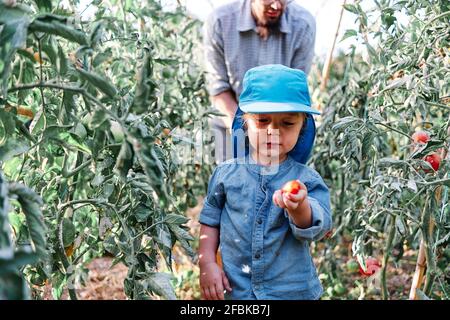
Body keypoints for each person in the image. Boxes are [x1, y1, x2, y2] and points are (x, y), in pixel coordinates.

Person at [198, 64, 332, 300]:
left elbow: (315, 228)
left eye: (287, 123)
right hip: (238, 291)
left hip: (291, 292)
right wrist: (207, 263)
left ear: (302, 129)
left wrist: (299, 207)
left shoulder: (306, 180)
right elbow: (210, 221)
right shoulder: (225, 175)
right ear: (245, 124)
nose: (273, 131)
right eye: (262, 121)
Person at [203, 0, 316, 162]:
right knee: (231, 181)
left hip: (280, 132)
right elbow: (219, 89)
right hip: (230, 124)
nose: (277, 6)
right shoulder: (220, 22)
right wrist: (247, 132)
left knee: (283, 183)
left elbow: (295, 91)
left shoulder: (303, 25)